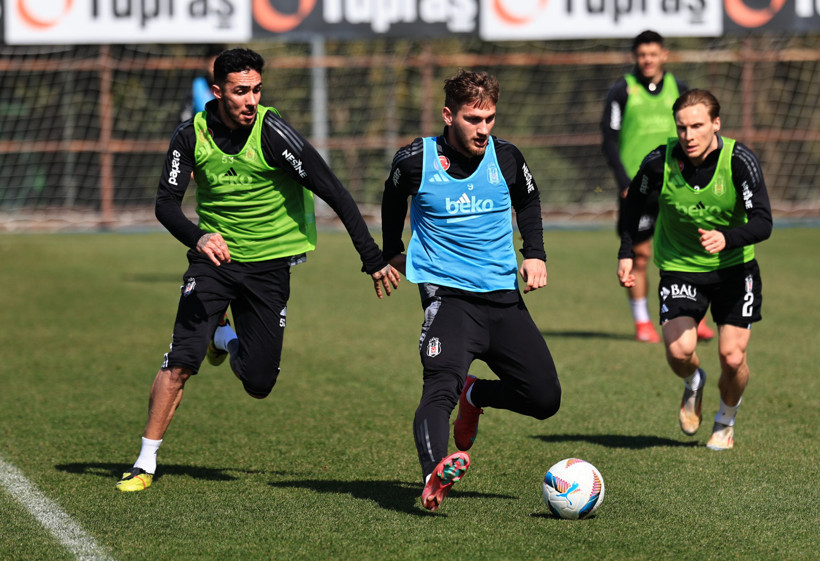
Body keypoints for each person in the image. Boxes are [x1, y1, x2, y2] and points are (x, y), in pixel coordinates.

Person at [117, 48, 400, 492]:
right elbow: (165, 204)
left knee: (259, 382)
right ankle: (144, 462)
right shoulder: (190, 136)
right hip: (214, 261)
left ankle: (222, 337)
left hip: (269, 268)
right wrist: (199, 237)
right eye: (240, 91)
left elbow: (335, 190)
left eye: (256, 90)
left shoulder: (274, 134)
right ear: (217, 92)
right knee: (180, 361)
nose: (251, 100)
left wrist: (371, 257)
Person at [381, 70, 561, 510]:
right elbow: (391, 198)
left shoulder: (508, 157)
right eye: (473, 119)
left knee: (544, 398)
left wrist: (534, 252)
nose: (483, 129)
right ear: (448, 116)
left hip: (502, 299)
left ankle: (475, 395)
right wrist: (391, 251)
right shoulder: (413, 161)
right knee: (439, 386)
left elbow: (529, 200)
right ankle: (432, 474)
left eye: (490, 119)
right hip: (449, 299)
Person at [617, 89, 772, 450]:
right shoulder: (660, 160)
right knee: (679, 351)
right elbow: (634, 203)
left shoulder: (739, 160)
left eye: (698, 126)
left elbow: (763, 221)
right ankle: (694, 382)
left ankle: (725, 422)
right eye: (682, 127)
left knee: (733, 357)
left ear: (716, 124)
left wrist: (728, 237)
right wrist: (626, 250)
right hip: (680, 268)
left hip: (735, 268)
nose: (689, 135)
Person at [602, 30, 715, 343]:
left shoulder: (678, 88)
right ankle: (642, 322)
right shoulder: (622, 91)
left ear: (664, 54)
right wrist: (625, 182)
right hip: (637, 189)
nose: (647, 60)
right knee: (639, 255)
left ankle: (697, 316)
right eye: (641, 55)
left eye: (653, 54)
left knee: (690, 249)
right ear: (635, 57)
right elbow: (609, 140)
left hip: (676, 185)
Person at [179, 44, 223, 123]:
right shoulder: (197, 85)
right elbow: (185, 114)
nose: (214, 70)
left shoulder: (232, 85)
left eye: (219, 66)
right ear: (206, 65)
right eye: (212, 66)